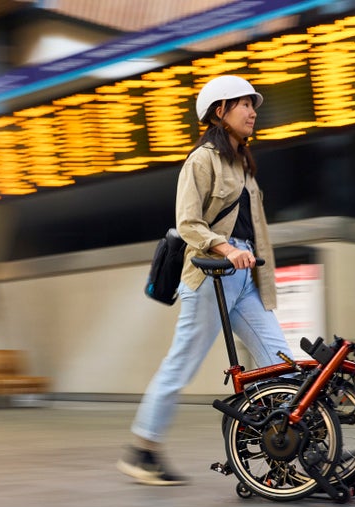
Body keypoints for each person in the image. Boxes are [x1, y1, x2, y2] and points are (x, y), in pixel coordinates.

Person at [117, 75, 291, 486]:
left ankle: (294, 443)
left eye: (253, 104)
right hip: (212, 276)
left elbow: (255, 227)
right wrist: (227, 248)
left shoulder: (244, 163)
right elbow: (188, 223)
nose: (253, 111)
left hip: (247, 277)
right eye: (244, 104)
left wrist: (252, 265)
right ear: (219, 111)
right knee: (181, 364)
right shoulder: (202, 160)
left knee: (280, 361)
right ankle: (142, 450)